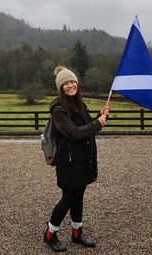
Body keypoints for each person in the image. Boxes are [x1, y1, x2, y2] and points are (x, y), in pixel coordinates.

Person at [43, 66, 109, 252]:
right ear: (60, 87)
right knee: (68, 198)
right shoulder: (58, 109)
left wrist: (100, 117)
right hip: (69, 162)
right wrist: (98, 124)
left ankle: (76, 233)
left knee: (78, 197)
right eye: (66, 83)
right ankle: (50, 234)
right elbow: (73, 133)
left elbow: (86, 127)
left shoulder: (79, 105)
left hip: (83, 160)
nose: (70, 85)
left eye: (72, 82)